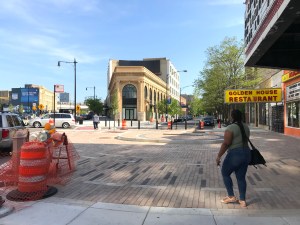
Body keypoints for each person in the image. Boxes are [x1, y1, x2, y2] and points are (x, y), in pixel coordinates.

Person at [216, 109, 251, 208]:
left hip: (235, 154)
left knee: (225, 173)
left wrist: (219, 156)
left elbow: (226, 143)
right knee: (241, 177)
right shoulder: (246, 126)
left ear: (232, 116)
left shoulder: (230, 127)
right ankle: (243, 200)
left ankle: (231, 196)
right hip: (247, 153)